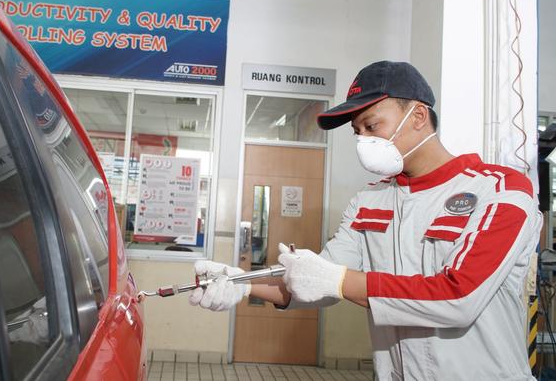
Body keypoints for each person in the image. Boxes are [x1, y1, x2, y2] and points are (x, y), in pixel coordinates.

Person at [189, 61, 542, 380]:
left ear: (418, 117)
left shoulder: (500, 189)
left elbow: (458, 296)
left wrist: (339, 280)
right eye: (357, 131)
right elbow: (321, 279)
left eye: (372, 125)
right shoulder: (369, 200)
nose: (363, 141)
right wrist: (244, 284)